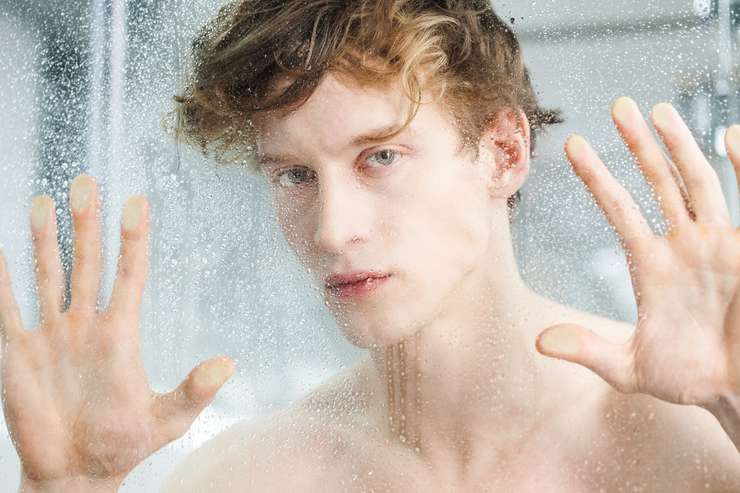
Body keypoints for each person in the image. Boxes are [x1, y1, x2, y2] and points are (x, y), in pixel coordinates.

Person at [3, 0, 740, 491]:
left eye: (379, 157)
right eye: (294, 175)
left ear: (504, 152)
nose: (331, 230)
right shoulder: (251, 479)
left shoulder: (695, 438)